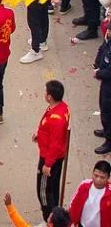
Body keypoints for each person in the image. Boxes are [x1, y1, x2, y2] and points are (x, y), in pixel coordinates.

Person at [34, 79, 71, 216]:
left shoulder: (56, 119)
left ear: (50, 96)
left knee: (43, 190)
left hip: (49, 158)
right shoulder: (63, 107)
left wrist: (47, 164)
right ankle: (55, 214)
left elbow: (55, 143)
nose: (44, 94)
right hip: (56, 155)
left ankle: (48, 218)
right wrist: (39, 136)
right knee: (53, 186)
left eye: (46, 92)